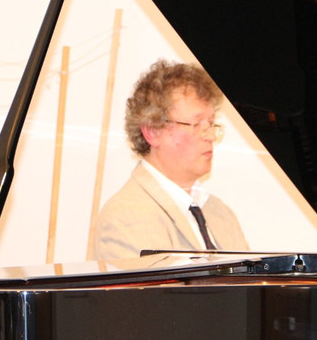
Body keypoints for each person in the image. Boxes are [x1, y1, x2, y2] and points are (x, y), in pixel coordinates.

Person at [90, 60, 247, 261]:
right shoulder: (124, 217)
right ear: (153, 131)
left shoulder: (220, 212)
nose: (210, 136)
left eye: (210, 123)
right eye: (196, 124)